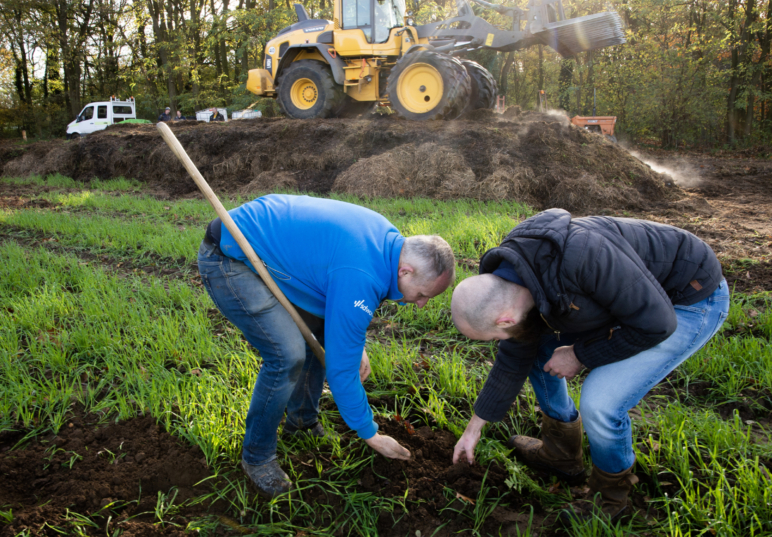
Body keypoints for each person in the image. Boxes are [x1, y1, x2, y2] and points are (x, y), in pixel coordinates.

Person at [450, 209, 728, 522]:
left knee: (601, 402)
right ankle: (562, 455)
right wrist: (475, 427)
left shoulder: (584, 258)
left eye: (494, 335)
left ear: (505, 319)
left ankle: (612, 500)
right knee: (535, 346)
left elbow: (656, 324)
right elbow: (516, 351)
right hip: (623, 300)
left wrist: (580, 354)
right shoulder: (516, 274)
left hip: (687, 300)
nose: (501, 341)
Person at [198, 195, 455, 497]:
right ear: (406, 271)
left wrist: (354, 342)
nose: (423, 304)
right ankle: (257, 457)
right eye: (424, 294)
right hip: (230, 254)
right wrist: (370, 433)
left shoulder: (390, 245)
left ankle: (302, 422)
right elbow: (342, 372)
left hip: (272, 244)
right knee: (287, 354)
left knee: (317, 334)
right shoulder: (362, 274)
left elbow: (339, 302)